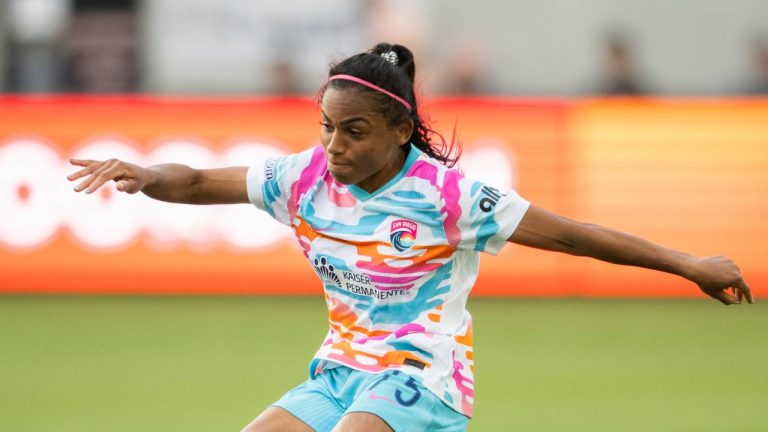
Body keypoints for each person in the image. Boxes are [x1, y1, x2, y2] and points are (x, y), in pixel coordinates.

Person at [67, 43, 753, 432]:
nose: (334, 145)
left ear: (400, 131)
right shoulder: (302, 177)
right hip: (339, 372)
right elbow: (194, 182)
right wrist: (145, 173)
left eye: (354, 131)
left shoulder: (448, 196)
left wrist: (688, 263)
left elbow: (574, 237)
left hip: (422, 374)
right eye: (326, 126)